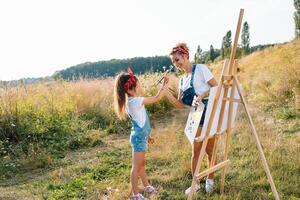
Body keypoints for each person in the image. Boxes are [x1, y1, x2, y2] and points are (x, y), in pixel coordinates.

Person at [164, 43, 218, 194]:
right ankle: (196, 183)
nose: (176, 64)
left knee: (210, 149)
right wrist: (165, 91)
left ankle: (210, 180)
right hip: (195, 116)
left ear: (185, 56)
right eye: (173, 62)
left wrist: (201, 96)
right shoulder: (182, 80)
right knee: (195, 150)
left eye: (177, 60)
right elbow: (180, 105)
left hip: (208, 112)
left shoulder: (200, 68)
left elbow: (216, 87)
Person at [114, 67, 167, 200]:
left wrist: (147, 135)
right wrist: (164, 85)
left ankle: (146, 185)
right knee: (136, 167)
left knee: (141, 164)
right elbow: (157, 98)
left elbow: (141, 119)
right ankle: (135, 195)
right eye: (137, 85)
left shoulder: (132, 101)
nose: (139, 87)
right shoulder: (135, 101)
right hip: (138, 138)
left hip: (140, 137)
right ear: (131, 88)